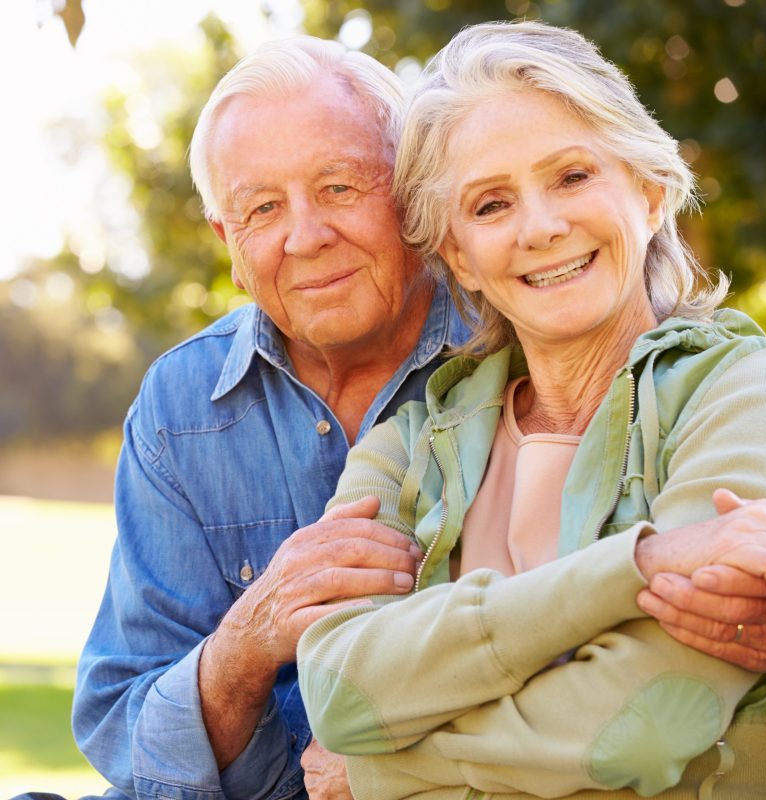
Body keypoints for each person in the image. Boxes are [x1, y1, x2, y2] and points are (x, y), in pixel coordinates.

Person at [297, 20, 766, 799]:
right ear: (458, 253)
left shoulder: (751, 394)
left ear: (648, 188)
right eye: (491, 205)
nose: (541, 227)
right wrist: (634, 568)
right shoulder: (410, 447)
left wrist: (382, 771)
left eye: (572, 176)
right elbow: (340, 695)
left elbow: (649, 724)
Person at [68, 36, 470, 800]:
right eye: (261, 208)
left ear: (412, 191)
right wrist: (248, 642)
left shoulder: (516, 349)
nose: (305, 236)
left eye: (341, 186)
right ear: (229, 243)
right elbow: (123, 726)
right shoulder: (180, 405)